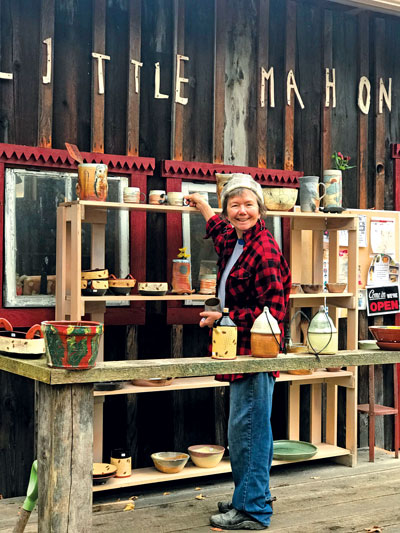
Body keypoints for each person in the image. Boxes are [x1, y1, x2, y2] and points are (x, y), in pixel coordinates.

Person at [185, 174, 291, 531]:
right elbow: (218, 230)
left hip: (256, 352)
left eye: (248, 204)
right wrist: (203, 207)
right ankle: (246, 496)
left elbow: (273, 313)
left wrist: (224, 315)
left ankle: (253, 510)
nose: (241, 211)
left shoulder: (265, 249)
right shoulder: (237, 239)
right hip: (238, 351)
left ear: (260, 209)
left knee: (249, 432)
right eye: (235, 205)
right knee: (243, 430)